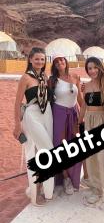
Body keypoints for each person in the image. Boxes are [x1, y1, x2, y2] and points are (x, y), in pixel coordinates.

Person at [13, 47, 54, 206]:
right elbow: (17, 102)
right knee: (42, 151)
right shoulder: (25, 77)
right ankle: (35, 192)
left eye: (42, 59)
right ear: (30, 59)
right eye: (37, 59)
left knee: (41, 153)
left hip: (47, 114)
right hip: (32, 115)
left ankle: (42, 188)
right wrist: (17, 125)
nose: (40, 62)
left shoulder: (44, 76)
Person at [79, 57, 104, 210]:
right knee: (91, 158)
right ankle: (96, 190)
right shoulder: (87, 86)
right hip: (88, 121)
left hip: (102, 121)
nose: (93, 71)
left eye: (95, 67)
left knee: (102, 159)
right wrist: (79, 122)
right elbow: (84, 106)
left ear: (100, 68)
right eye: (90, 68)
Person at [49, 54, 83, 195]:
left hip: (74, 113)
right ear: (54, 65)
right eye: (56, 62)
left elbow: (79, 97)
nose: (59, 63)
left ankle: (75, 177)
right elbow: (47, 99)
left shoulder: (75, 76)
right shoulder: (52, 80)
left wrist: (83, 116)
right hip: (59, 114)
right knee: (60, 146)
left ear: (66, 61)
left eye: (61, 60)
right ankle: (65, 178)